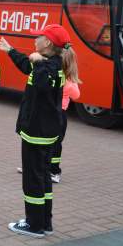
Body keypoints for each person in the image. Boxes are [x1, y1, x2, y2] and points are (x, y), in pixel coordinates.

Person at [0, 24, 69, 238]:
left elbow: (40, 81)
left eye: (39, 37)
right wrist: (11, 51)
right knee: (43, 177)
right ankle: (44, 221)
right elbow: (27, 67)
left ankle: (34, 225)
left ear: (47, 43)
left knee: (33, 179)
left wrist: (38, 63)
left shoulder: (48, 68)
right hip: (45, 131)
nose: (35, 40)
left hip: (38, 132)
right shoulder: (50, 64)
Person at [50, 47, 81, 183]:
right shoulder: (65, 79)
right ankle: (47, 169)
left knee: (51, 143)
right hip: (54, 113)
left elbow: (76, 95)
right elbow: (76, 95)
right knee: (51, 143)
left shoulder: (61, 77)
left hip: (54, 114)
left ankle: (51, 170)